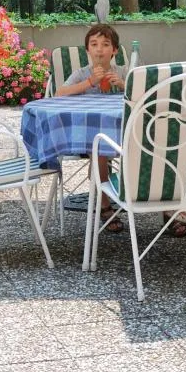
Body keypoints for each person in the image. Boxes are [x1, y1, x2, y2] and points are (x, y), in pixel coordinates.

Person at [54, 24, 132, 231]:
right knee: (98, 146)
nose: (99, 50)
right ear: (88, 50)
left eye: (105, 45)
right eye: (94, 45)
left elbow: (146, 93)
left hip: (123, 133)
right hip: (88, 137)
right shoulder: (82, 74)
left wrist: (124, 85)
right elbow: (60, 93)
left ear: (114, 50)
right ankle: (105, 205)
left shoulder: (124, 72)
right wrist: (89, 82)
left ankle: (164, 209)